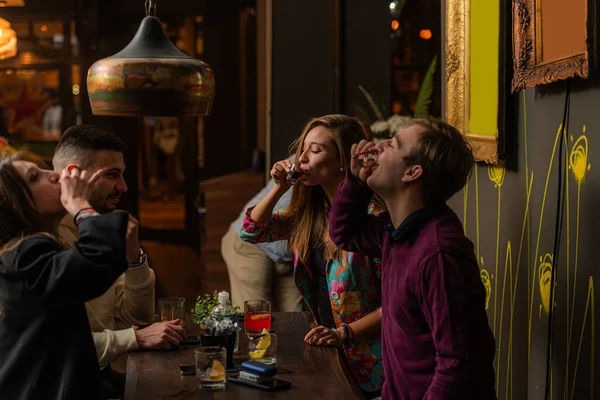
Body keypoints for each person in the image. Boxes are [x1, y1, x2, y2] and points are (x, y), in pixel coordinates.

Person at [328, 117, 496, 399]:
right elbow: (345, 233)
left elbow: (457, 367)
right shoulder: (394, 230)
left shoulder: (439, 254)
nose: (378, 146)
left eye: (392, 144)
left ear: (412, 172)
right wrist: (357, 183)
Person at [239, 114, 384, 397]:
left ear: (344, 160)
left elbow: (395, 306)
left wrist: (344, 333)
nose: (301, 158)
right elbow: (251, 231)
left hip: (372, 365)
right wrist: (280, 187)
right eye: (302, 149)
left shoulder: (374, 221)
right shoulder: (311, 214)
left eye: (315, 150)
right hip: (328, 355)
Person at [52, 125, 186, 397]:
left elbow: (136, 315)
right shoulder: (40, 241)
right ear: (73, 175)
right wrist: (133, 338)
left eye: (122, 174)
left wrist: (134, 257)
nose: (123, 187)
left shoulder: (100, 229)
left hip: (98, 379)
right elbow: (54, 348)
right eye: (112, 175)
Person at [0, 151, 131, 399]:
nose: (55, 175)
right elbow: (97, 262)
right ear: (14, 204)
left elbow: (62, 350)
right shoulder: (23, 256)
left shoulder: (23, 253)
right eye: (35, 177)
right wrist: (81, 205)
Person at [222, 155, 303, 312]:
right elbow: (250, 231)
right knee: (255, 317)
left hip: (288, 257)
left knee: (295, 322)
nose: (304, 156)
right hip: (251, 247)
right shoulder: (306, 159)